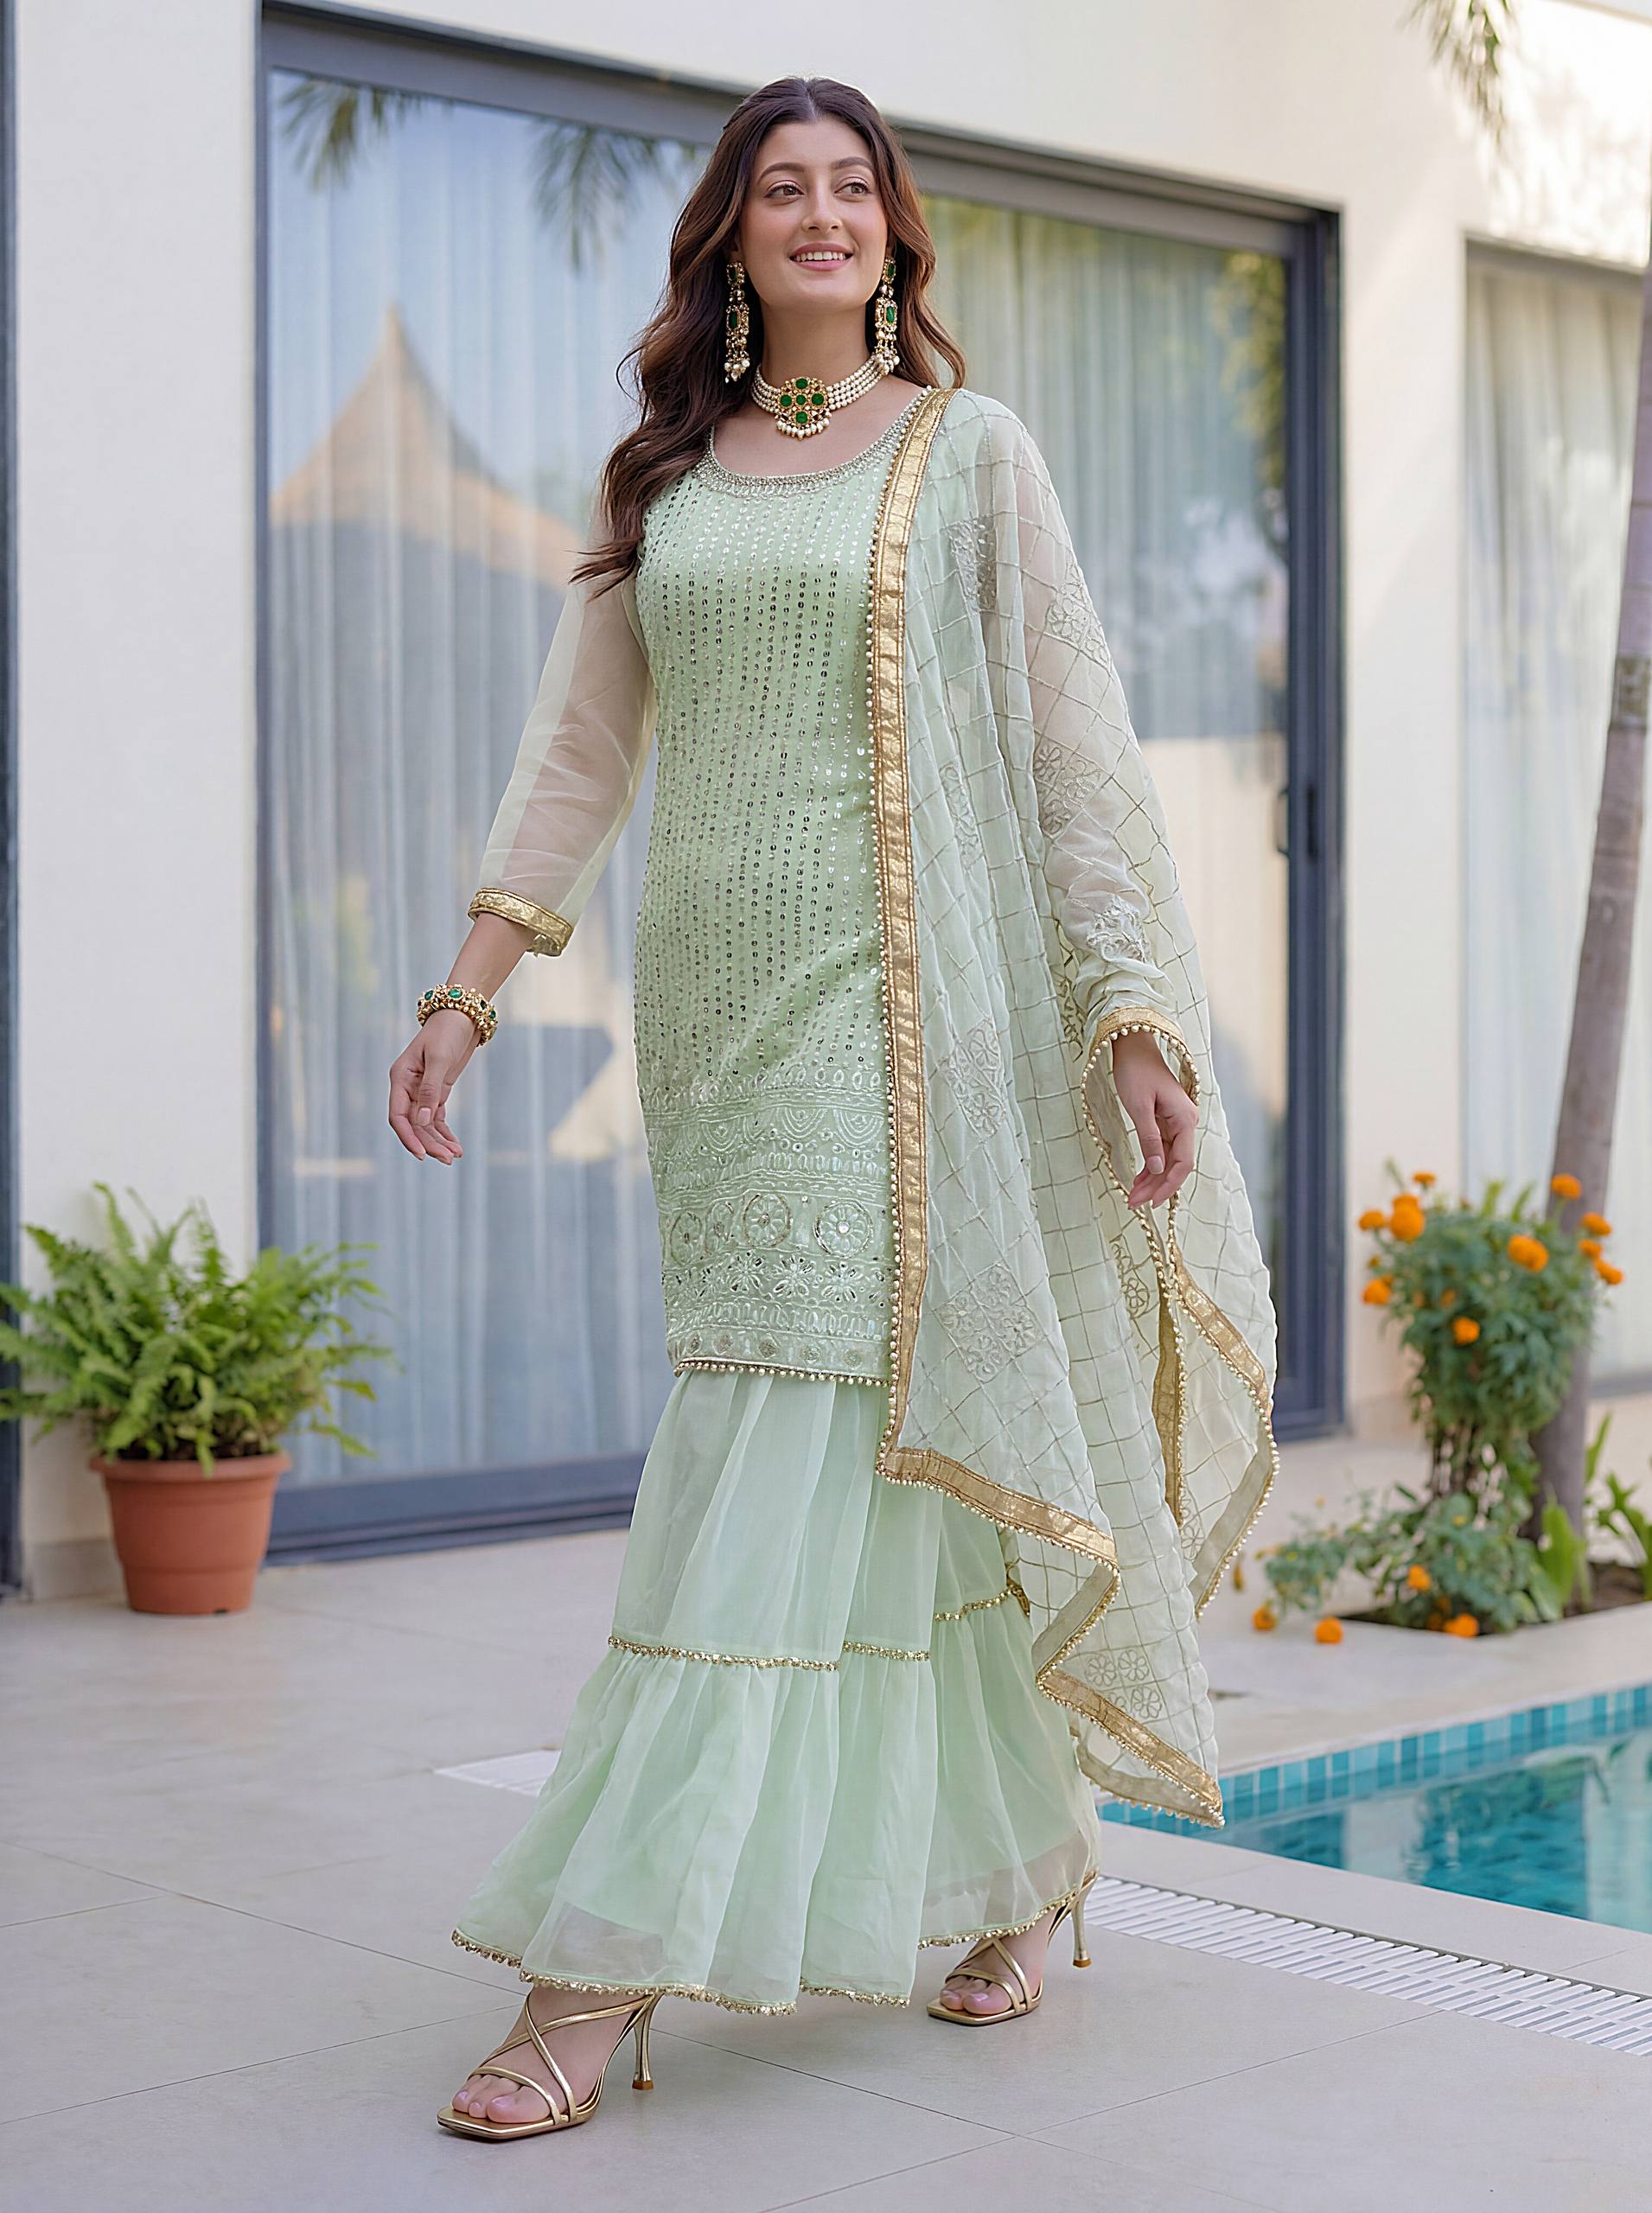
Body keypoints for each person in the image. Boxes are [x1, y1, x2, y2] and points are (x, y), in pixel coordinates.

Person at [387, 73, 1277, 2146]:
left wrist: (1129, 1016)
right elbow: (577, 754)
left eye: (847, 187)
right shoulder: (666, 477)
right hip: (717, 1026)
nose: (816, 214)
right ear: (732, 236)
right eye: (778, 187)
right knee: (867, 1438)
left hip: (916, 1022)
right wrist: (466, 990)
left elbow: (1071, 749)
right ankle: (1025, 1861)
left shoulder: (970, 456)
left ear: (890, 232)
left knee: (775, 1448)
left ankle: (594, 1962)